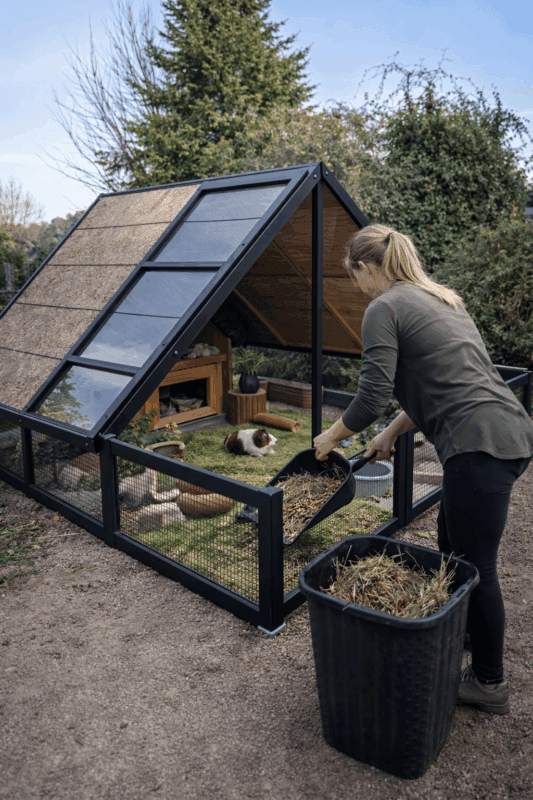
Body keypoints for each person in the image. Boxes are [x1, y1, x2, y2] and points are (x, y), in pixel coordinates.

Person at [313, 223, 533, 715]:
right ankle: (465, 632)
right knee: (451, 545)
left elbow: (370, 397)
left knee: (477, 567)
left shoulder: (383, 308)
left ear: (368, 268)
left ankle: (490, 683)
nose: (358, 289)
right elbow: (440, 382)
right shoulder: (441, 299)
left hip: (479, 444)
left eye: (356, 278)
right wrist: (390, 434)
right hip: (506, 432)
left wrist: (330, 438)